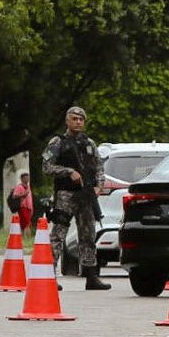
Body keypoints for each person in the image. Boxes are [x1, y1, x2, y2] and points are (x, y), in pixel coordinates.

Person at [42, 106, 110, 290]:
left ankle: (91, 276)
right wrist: (68, 171)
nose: (78, 122)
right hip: (65, 195)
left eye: (81, 119)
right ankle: (49, 276)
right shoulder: (57, 142)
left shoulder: (89, 144)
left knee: (88, 235)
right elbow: (47, 167)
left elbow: (99, 167)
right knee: (58, 235)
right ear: (67, 120)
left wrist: (98, 186)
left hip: (86, 196)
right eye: (74, 119)